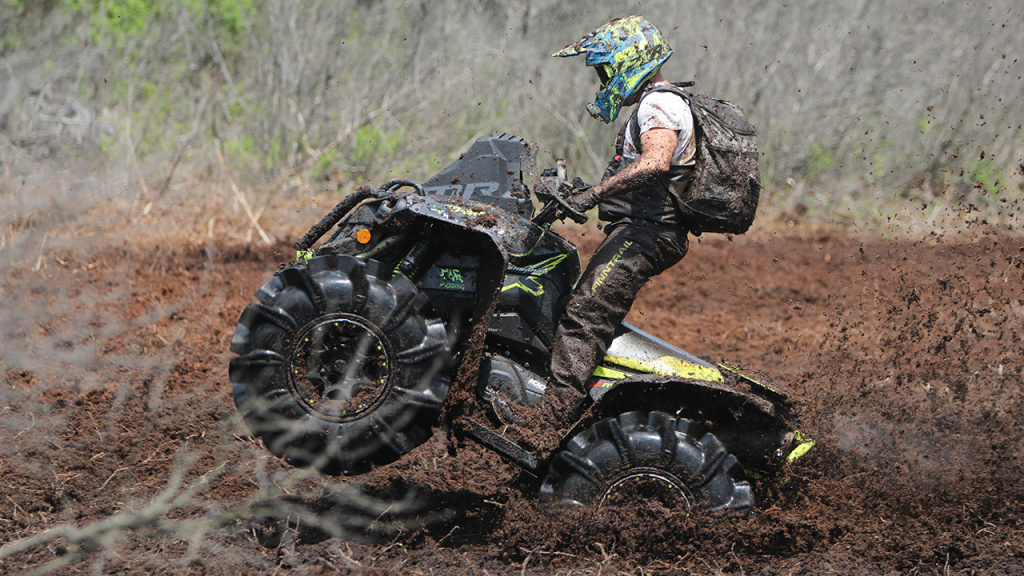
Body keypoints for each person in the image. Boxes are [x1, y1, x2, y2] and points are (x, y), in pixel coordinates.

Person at [548, 16, 697, 399]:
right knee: (586, 305)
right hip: (646, 229)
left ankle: (552, 414)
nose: (601, 80)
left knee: (586, 314)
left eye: (604, 69)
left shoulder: (657, 105)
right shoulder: (663, 100)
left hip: (647, 232)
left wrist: (596, 193)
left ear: (625, 63)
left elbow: (656, 162)